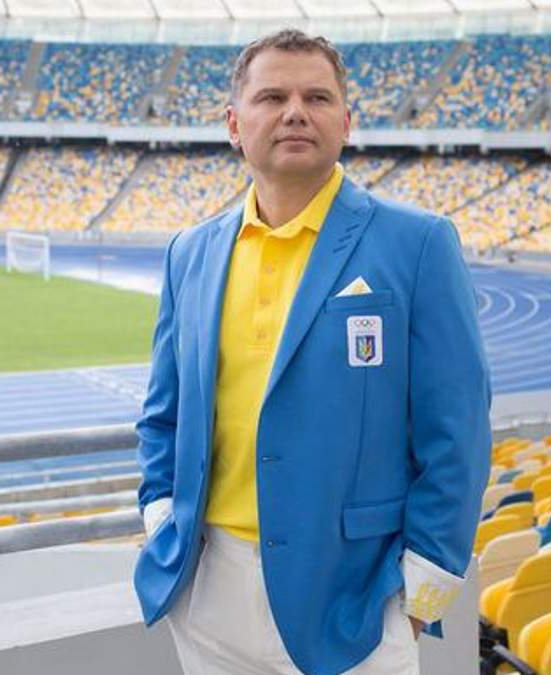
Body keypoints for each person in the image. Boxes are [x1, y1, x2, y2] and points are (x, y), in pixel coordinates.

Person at [133, 28, 491, 675]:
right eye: (272, 97)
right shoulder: (190, 253)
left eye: (317, 98)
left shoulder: (418, 244)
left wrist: (416, 600)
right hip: (208, 596)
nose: (295, 112)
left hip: (352, 603)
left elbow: (457, 432)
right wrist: (162, 518)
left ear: (346, 122)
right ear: (235, 124)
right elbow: (165, 411)